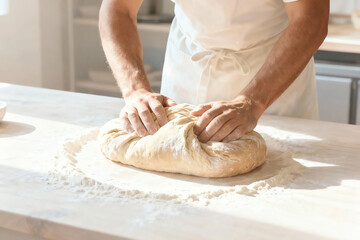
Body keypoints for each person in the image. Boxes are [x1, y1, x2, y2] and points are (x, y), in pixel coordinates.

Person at [99, 0, 329, 143]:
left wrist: (253, 102)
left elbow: (311, 18)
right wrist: (135, 91)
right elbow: (118, 8)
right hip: (187, 73)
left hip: (271, 83)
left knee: (281, 177)